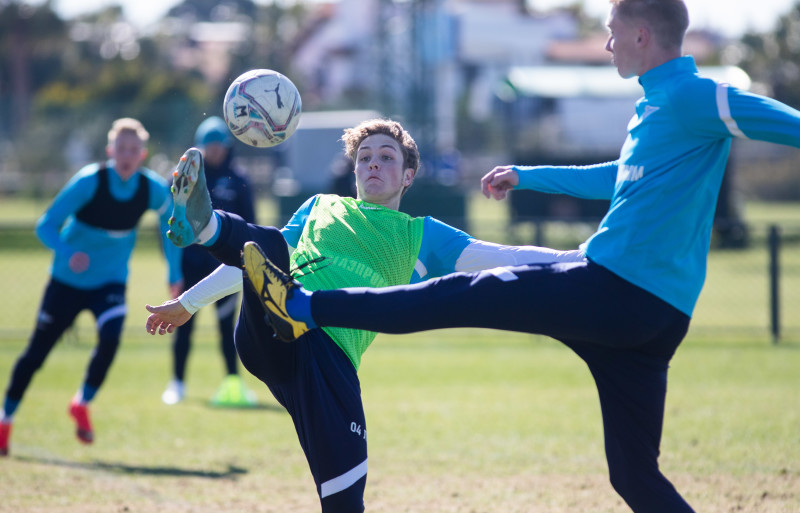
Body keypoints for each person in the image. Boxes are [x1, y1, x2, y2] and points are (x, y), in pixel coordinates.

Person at [238, 1, 800, 512]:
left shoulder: (696, 96)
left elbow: (788, 124)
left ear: (642, 34)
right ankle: (305, 307)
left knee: (452, 295)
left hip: (611, 287)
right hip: (657, 320)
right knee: (634, 476)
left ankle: (305, 307)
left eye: (611, 33)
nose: (605, 44)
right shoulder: (654, 109)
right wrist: (528, 176)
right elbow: (618, 177)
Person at [144, 118, 584, 513]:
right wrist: (187, 303)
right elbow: (253, 261)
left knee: (344, 502)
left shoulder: (422, 235)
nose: (373, 164)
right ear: (354, 171)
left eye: (386, 157)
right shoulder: (319, 207)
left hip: (332, 363)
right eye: (365, 158)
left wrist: (578, 259)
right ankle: (207, 228)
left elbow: (502, 255)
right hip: (273, 337)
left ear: (408, 175)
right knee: (272, 247)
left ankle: (226, 244)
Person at [0, 118, 183, 457]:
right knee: (36, 354)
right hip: (67, 282)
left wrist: (174, 272)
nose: (126, 155)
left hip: (110, 281)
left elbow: (169, 220)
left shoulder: (151, 188)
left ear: (142, 154)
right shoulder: (88, 181)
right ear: (110, 150)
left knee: (111, 336)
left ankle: (82, 401)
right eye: (121, 149)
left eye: (133, 150)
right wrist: (68, 252)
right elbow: (46, 226)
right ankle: (5, 420)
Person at [161, 116, 258, 407]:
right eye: (209, 145)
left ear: (227, 147)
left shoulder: (239, 179)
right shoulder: (185, 178)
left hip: (226, 266)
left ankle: (233, 381)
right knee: (183, 323)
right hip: (191, 264)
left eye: (219, 145)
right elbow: (168, 228)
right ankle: (177, 383)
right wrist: (173, 269)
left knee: (228, 326)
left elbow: (251, 225)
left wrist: (247, 265)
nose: (214, 151)